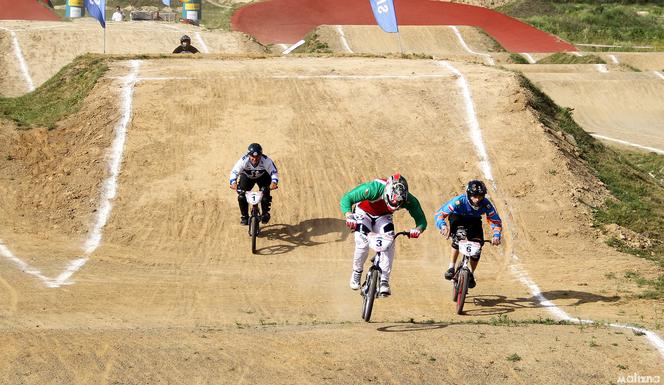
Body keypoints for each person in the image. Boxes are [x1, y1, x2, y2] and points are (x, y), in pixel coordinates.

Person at [340, 174, 427, 296]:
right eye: (393, 201)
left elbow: (421, 220)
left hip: (383, 217)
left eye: (399, 203)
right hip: (363, 212)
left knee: (389, 241)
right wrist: (349, 215)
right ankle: (357, 271)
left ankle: (384, 280)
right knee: (362, 242)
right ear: (387, 193)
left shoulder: (408, 199)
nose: (396, 204)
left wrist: (418, 229)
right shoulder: (373, 188)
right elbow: (347, 198)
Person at [434, 179, 502, 289]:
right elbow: (440, 214)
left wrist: (496, 235)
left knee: (477, 248)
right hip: (457, 217)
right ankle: (451, 267)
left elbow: (496, 221)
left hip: (474, 221)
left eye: (480, 196)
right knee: (459, 237)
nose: (477, 199)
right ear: (468, 194)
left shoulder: (486, 204)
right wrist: (443, 226)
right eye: (474, 196)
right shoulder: (459, 201)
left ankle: (471, 273)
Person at [229, 143, 279, 225]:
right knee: (241, 195)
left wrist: (274, 182)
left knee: (265, 192)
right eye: (252, 157)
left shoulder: (266, 160)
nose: (255, 159)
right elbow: (234, 171)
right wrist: (233, 182)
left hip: (263, 177)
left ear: (261, 155)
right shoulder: (243, 161)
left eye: (257, 157)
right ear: (249, 155)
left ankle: (265, 213)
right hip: (247, 177)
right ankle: (245, 217)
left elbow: (273, 171)